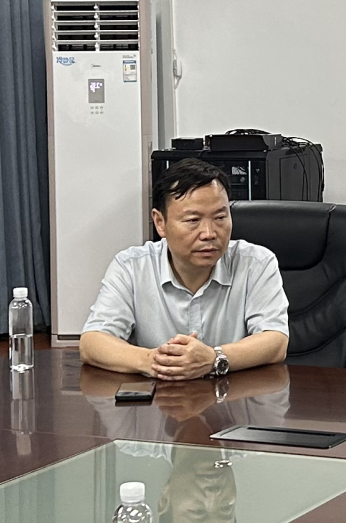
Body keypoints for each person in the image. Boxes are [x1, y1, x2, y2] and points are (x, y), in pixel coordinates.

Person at [79, 158, 289, 381]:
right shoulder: (131, 267)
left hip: (235, 397)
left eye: (220, 217)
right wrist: (157, 361)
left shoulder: (255, 263)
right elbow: (92, 343)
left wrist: (213, 358)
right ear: (160, 222)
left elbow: (276, 341)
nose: (209, 233)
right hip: (159, 398)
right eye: (193, 220)